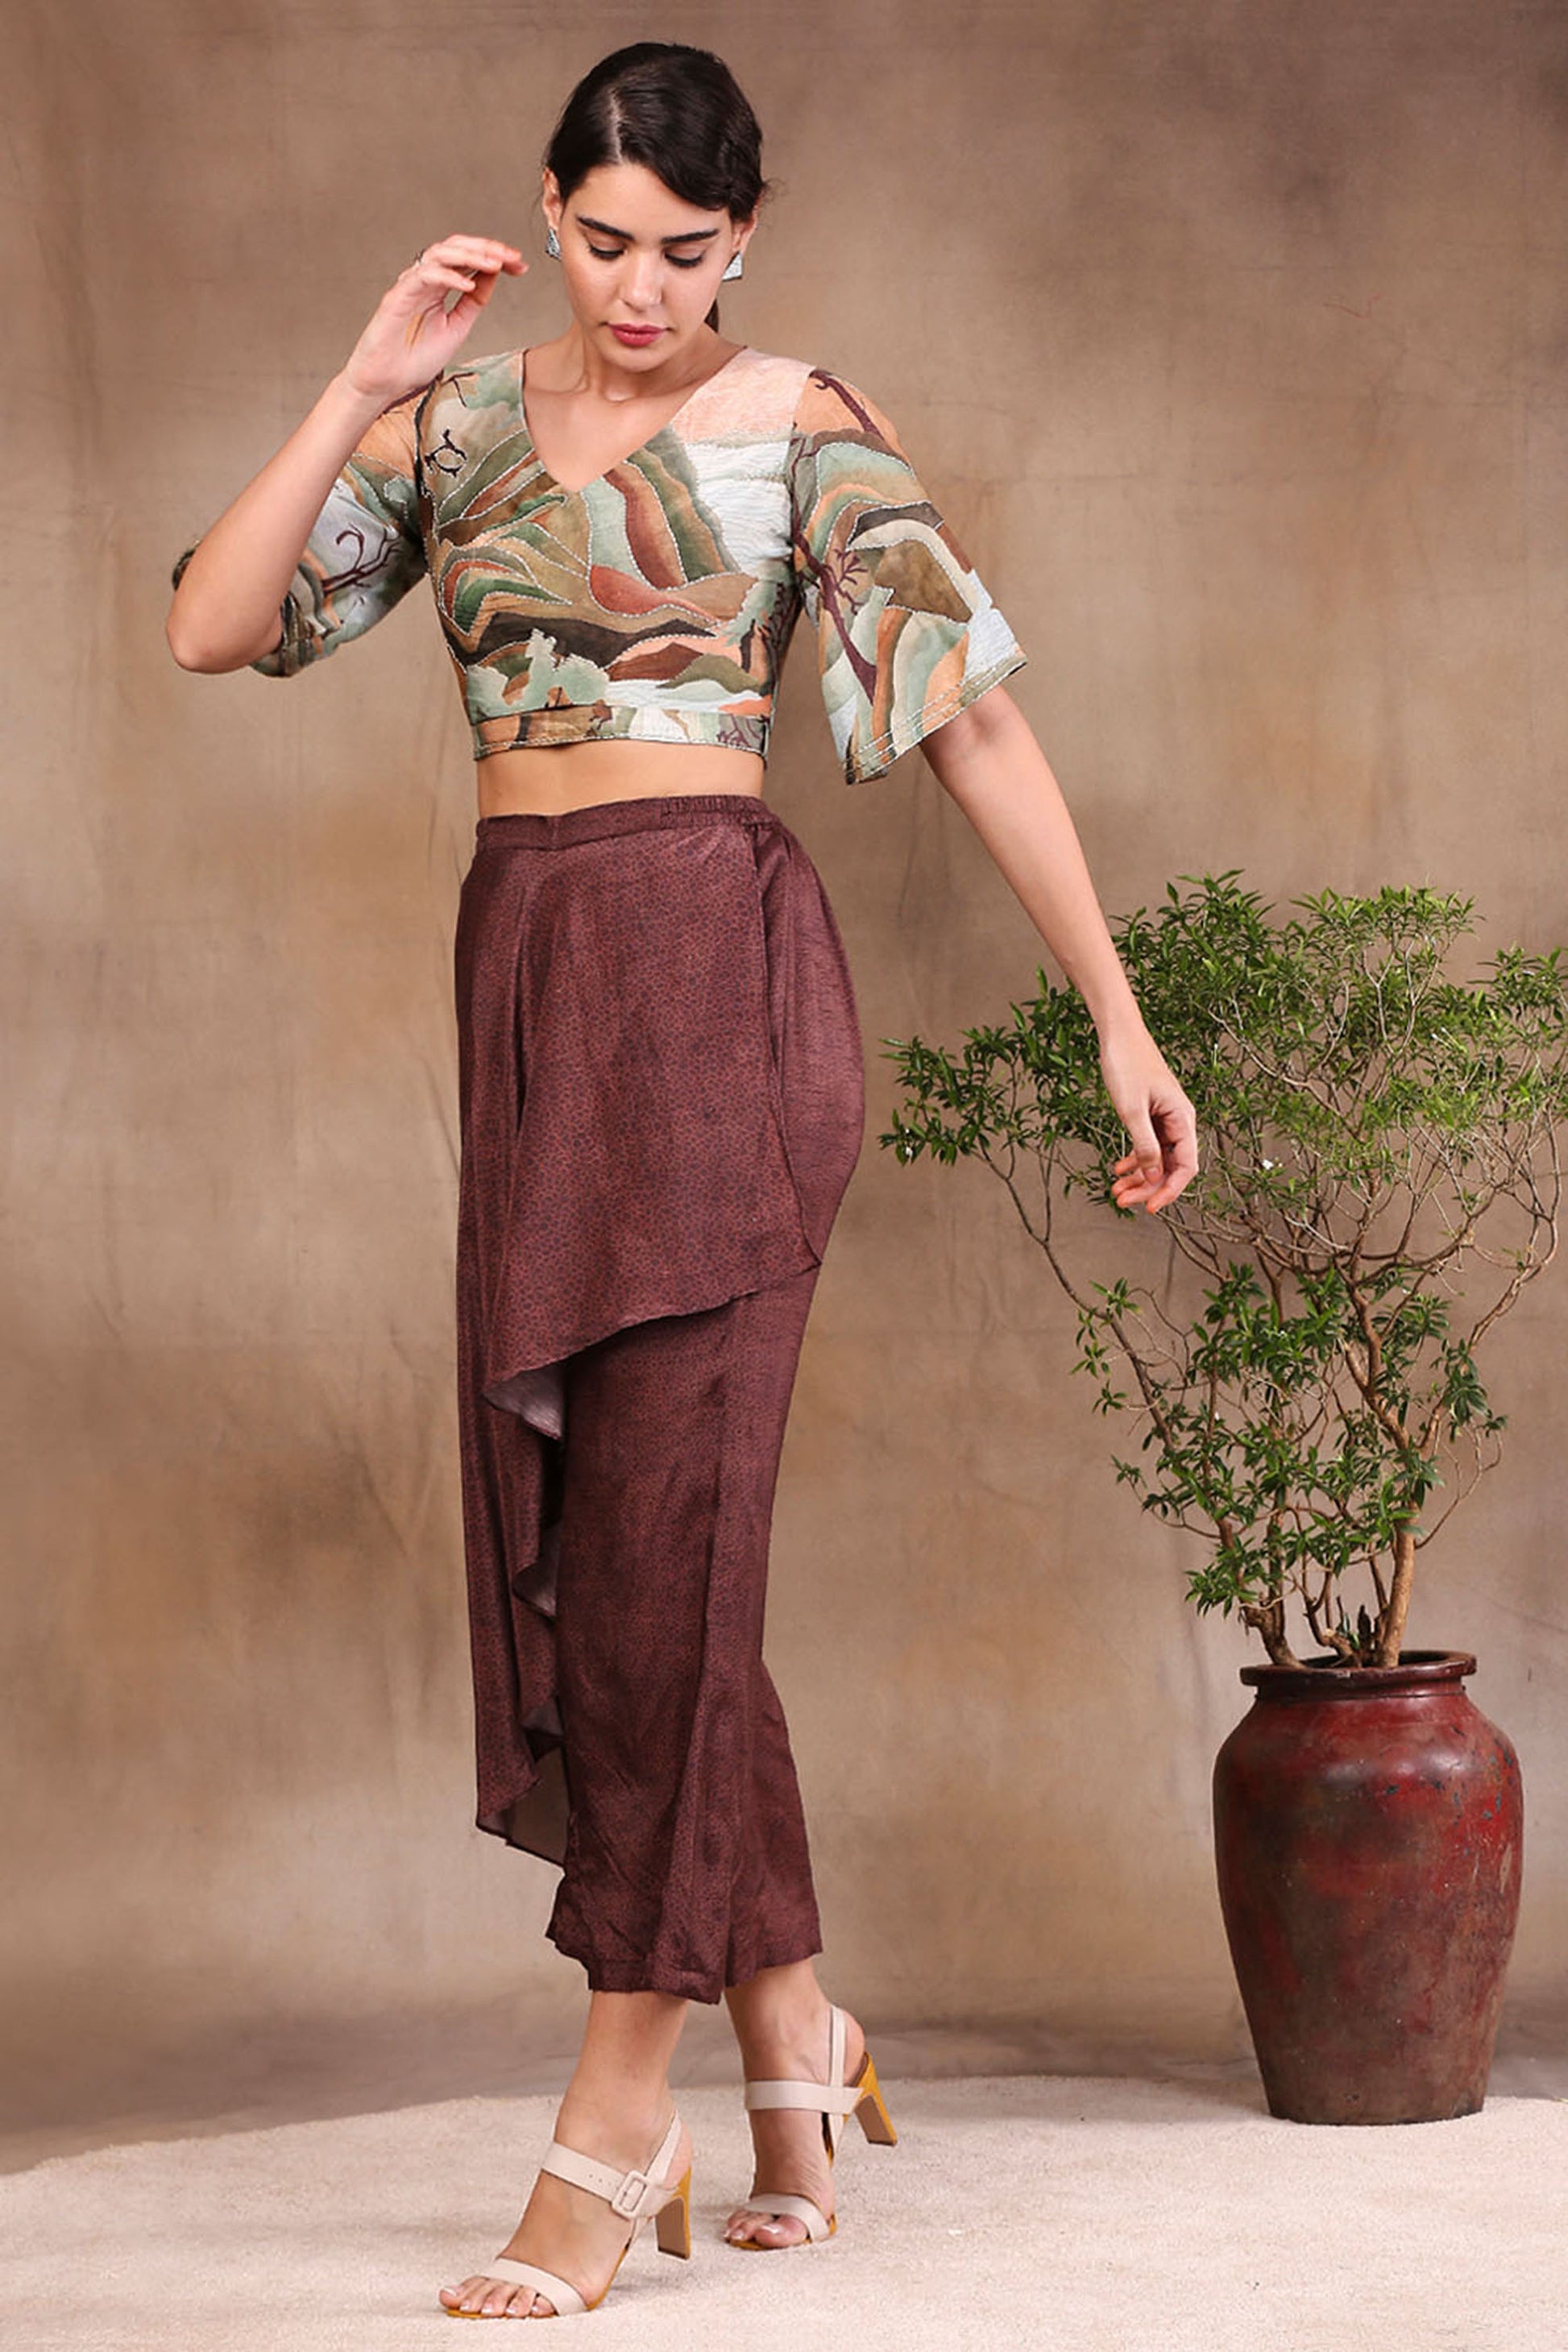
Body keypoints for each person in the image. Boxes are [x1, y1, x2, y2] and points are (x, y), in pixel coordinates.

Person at [166, 38, 1198, 2325]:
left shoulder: (801, 429)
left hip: (719, 985)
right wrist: (356, 386)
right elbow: (214, 624)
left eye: (692, 252)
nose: (645, 293)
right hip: (534, 987)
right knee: (647, 1548)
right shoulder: (450, 429)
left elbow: (970, 718)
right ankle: (795, 2038)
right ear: (550, 211)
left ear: (751, 237)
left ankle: (610, 2124)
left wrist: (1117, 1017)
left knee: (658, 1550)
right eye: (610, 243)